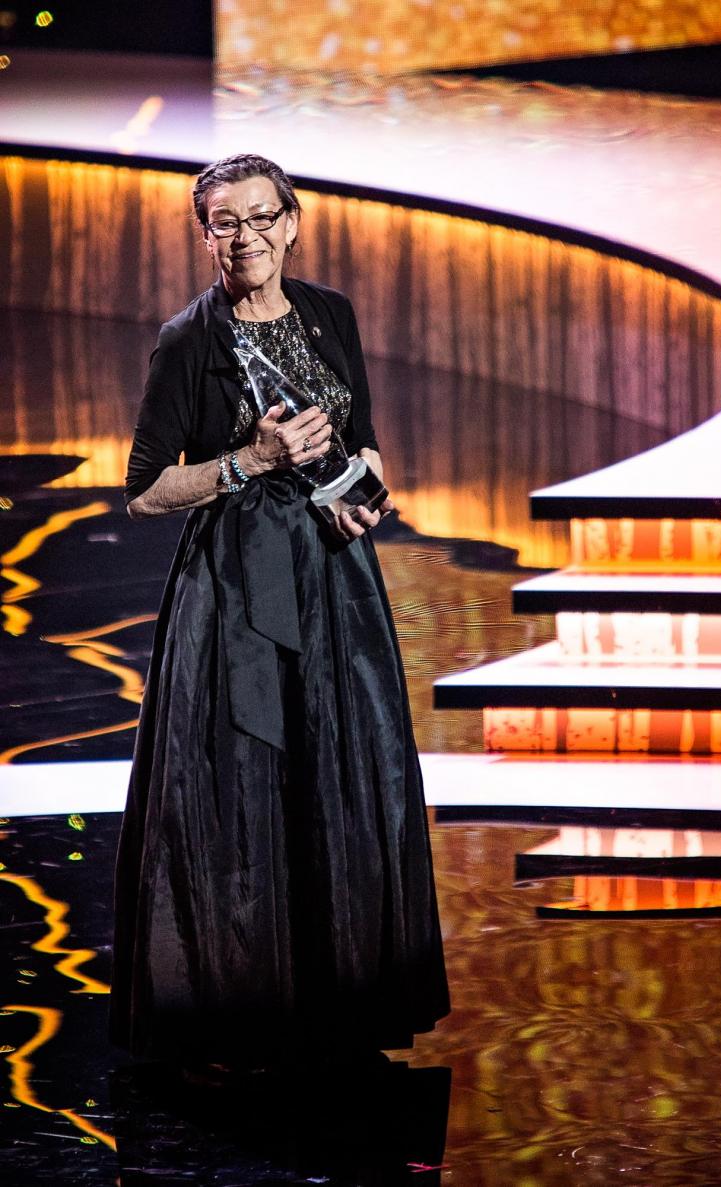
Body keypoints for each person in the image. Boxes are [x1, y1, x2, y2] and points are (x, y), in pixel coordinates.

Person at [110, 154, 450, 1073]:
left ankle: (343, 1001)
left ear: (292, 223)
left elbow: (365, 439)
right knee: (241, 791)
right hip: (234, 595)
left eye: (262, 217)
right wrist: (250, 461)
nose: (247, 236)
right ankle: (242, 1013)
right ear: (205, 236)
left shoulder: (331, 313)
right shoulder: (187, 341)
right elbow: (143, 491)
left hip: (335, 581)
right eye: (225, 222)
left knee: (343, 776)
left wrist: (365, 494)